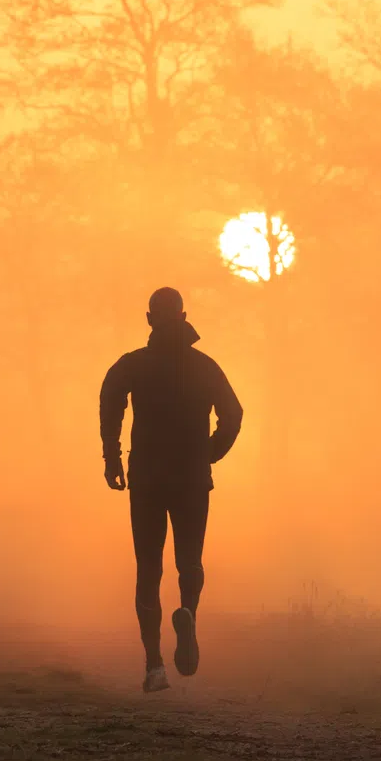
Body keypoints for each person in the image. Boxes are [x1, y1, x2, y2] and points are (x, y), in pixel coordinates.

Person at [99, 287, 243, 692]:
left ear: (149, 320)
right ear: (184, 317)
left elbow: (110, 397)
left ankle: (154, 666)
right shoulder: (204, 367)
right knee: (190, 561)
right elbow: (233, 413)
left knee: (149, 568)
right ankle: (189, 614)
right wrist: (210, 453)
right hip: (192, 479)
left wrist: (112, 457)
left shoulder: (134, 365)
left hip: (146, 479)